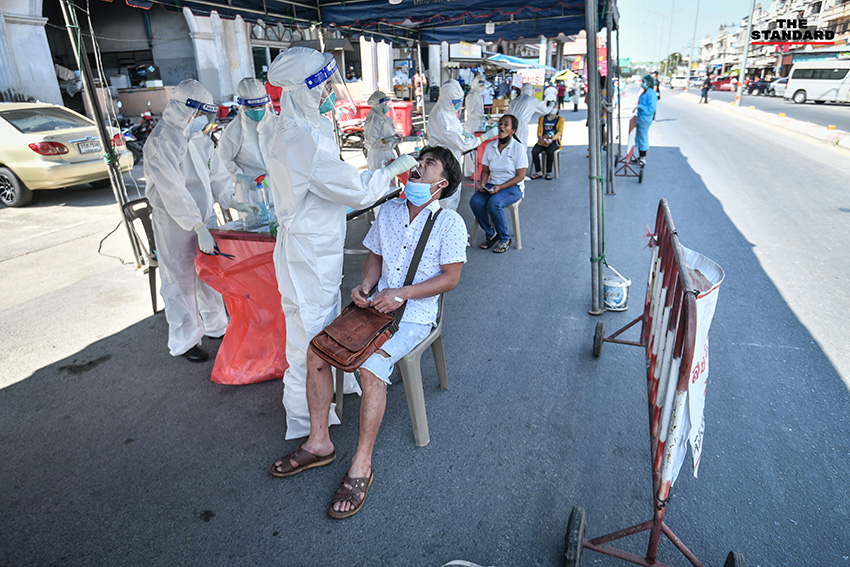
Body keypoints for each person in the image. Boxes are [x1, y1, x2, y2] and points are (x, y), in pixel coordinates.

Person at [269, 146, 466, 519]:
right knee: (318, 349)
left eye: (427, 165)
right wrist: (365, 285)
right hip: (376, 307)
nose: (417, 167)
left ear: (441, 183)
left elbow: (451, 279)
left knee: (372, 368)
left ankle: (362, 464)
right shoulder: (389, 209)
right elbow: (374, 256)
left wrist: (401, 295)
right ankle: (319, 442)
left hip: (415, 314)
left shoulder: (449, 223)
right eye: (417, 160)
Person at [265, 47, 419, 440]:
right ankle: (307, 420)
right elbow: (354, 189)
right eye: (323, 87)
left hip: (318, 244)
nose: (330, 93)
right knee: (312, 336)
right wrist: (393, 171)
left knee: (325, 321)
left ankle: (338, 388)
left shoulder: (307, 127)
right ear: (303, 91)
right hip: (309, 250)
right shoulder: (298, 139)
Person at [144, 79, 258, 362]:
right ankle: (185, 340)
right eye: (197, 114)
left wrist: (231, 198)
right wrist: (196, 225)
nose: (201, 120)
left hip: (204, 218)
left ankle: (216, 326)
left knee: (208, 275)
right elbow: (173, 191)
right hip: (175, 223)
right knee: (180, 280)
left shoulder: (199, 138)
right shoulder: (162, 142)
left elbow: (215, 174)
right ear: (184, 110)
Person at [427, 79, 497, 211]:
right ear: (448, 101)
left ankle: (449, 227)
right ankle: (446, 229)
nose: (458, 104)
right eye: (455, 102)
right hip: (444, 161)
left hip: (451, 156)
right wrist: (483, 138)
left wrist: (463, 131)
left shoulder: (446, 109)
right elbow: (462, 144)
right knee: (447, 199)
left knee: (451, 194)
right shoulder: (441, 118)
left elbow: (455, 127)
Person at [470, 114, 528, 254]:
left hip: (513, 187)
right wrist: (483, 184)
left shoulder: (517, 148)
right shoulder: (490, 146)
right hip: (493, 184)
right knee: (475, 201)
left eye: (506, 124)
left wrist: (501, 187)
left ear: (513, 130)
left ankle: (505, 238)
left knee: (494, 202)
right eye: (500, 123)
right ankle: (491, 234)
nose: (501, 126)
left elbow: (521, 176)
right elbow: (485, 170)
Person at [217, 78, 276, 205]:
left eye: (260, 105)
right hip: (252, 195)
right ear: (242, 105)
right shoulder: (233, 131)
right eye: (252, 106)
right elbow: (222, 160)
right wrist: (239, 177)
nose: (257, 109)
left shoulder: (277, 124)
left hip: (279, 189)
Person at [363, 90, 399, 171]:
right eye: (385, 104)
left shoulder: (386, 119)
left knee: (391, 181)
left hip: (389, 154)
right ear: (379, 105)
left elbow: (392, 135)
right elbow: (372, 144)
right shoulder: (373, 120)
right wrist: (387, 140)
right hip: (378, 156)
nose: (387, 106)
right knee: (380, 181)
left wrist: (400, 138)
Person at [508, 82, 550, 148]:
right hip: (522, 125)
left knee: (511, 145)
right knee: (522, 145)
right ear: (530, 90)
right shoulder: (532, 100)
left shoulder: (514, 100)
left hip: (511, 125)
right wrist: (551, 105)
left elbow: (508, 114)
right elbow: (546, 111)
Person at [530, 105, 564, 180]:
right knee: (534, 151)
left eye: (555, 107)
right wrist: (540, 137)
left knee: (550, 151)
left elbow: (559, 132)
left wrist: (552, 139)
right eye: (551, 107)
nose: (553, 109)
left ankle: (549, 172)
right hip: (543, 140)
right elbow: (539, 130)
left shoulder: (560, 119)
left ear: (558, 109)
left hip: (554, 141)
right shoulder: (542, 118)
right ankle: (538, 172)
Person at [634, 74, 658, 166]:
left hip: (645, 118)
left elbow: (651, 108)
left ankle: (643, 158)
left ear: (648, 83)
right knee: (639, 137)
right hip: (641, 117)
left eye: (644, 82)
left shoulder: (651, 93)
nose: (642, 83)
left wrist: (641, 107)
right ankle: (640, 157)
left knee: (643, 137)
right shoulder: (645, 92)